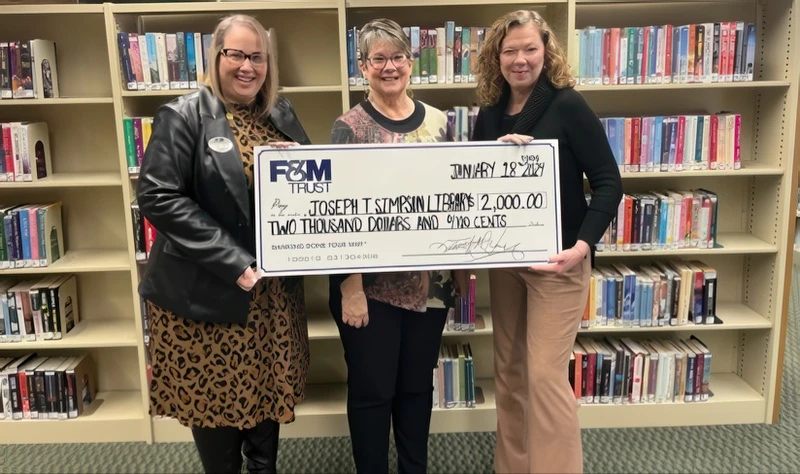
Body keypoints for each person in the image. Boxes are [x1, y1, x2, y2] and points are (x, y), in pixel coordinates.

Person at [136, 14, 312, 474]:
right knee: (218, 412)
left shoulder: (281, 113)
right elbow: (157, 195)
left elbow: (314, 183)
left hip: (270, 299)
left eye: (257, 57)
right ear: (215, 58)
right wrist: (233, 260)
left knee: (266, 405)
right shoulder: (183, 115)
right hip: (208, 300)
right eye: (236, 54)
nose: (247, 66)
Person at [472, 9, 623, 474]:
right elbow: (475, 183)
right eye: (510, 50)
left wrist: (582, 247)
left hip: (558, 265)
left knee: (544, 376)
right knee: (511, 374)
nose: (520, 59)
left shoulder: (567, 105)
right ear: (496, 56)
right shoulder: (491, 111)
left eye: (529, 49)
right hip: (508, 264)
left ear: (546, 51)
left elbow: (607, 182)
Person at [328, 18, 461, 474]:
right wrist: (350, 287)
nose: (390, 66)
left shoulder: (441, 123)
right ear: (363, 67)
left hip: (431, 288)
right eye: (378, 58)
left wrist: (508, 154)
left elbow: (457, 197)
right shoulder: (348, 127)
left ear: (411, 62)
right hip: (370, 289)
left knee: (415, 388)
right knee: (372, 392)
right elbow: (336, 216)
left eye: (398, 57)